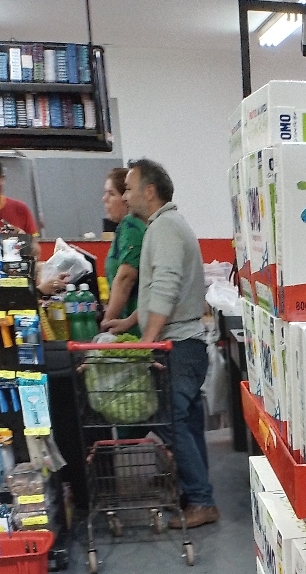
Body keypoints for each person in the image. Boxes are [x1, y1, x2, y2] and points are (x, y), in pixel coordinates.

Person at [119, 158, 218, 528]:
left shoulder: (164, 227)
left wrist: (146, 341)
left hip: (178, 346)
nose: (125, 197)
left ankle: (202, 500)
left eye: (129, 189)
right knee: (186, 421)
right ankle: (197, 495)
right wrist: (131, 320)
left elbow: (167, 285)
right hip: (185, 343)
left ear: (149, 191)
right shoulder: (167, 225)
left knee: (169, 418)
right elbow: (156, 290)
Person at [99, 168, 145, 332]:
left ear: (126, 198)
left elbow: (126, 278)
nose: (104, 199)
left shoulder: (130, 227)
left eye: (111, 193)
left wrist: (107, 322)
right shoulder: (125, 229)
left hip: (136, 327)